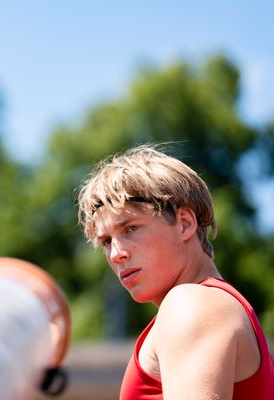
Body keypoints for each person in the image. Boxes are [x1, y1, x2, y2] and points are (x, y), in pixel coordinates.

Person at [76, 144, 274, 399]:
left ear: (184, 224)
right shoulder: (215, 305)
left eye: (131, 229)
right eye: (106, 241)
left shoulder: (192, 304)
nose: (116, 254)